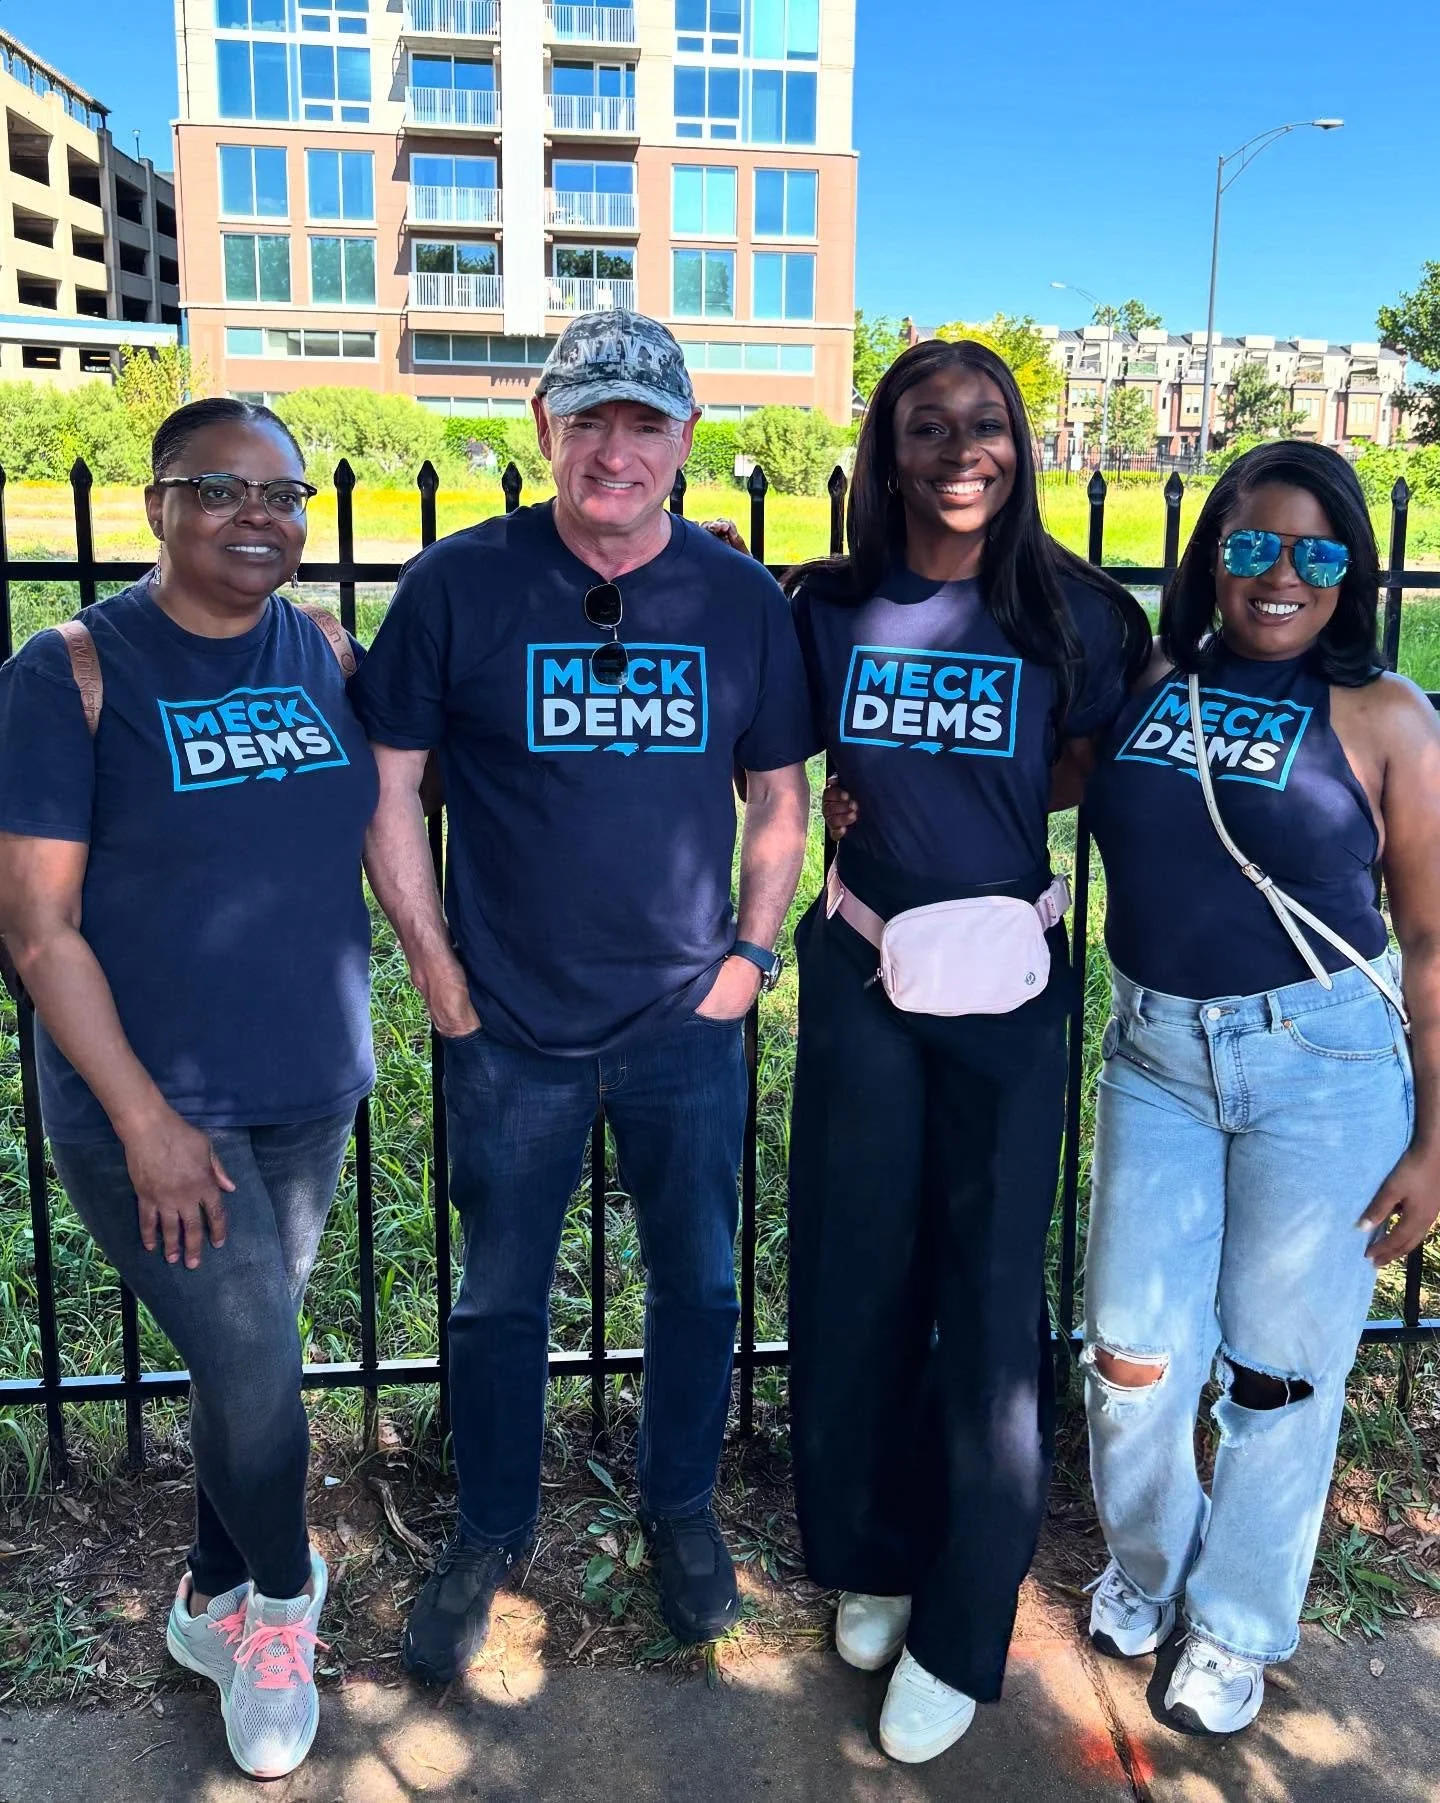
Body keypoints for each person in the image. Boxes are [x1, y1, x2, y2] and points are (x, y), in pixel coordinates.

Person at [350, 310, 813, 1684]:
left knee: (701, 1281)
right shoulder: (457, 586)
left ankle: (679, 1503)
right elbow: (386, 788)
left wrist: (750, 956)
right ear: (547, 428)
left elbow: (778, 794)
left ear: (684, 442)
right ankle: (488, 1529)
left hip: (686, 1019)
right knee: (497, 1298)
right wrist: (437, 973)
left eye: (645, 421)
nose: (616, 447)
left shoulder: (739, 602)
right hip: (509, 1025)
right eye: (589, 416)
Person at [0, 399, 376, 1779]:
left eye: (282, 494)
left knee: (245, 1364)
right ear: (158, 502)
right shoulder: (77, 669)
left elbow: (422, 790)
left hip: (312, 1079)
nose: (260, 516)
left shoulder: (329, 647)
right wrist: (148, 1120)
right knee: (262, 1369)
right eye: (220, 489)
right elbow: (40, 927)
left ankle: (205, 1600)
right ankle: (281, 1602)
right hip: (150, 1104)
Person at [791, 338, 1149, 1763]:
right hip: (864, 969)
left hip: (1010, 980)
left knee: (993, 1300)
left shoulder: (1078, 612)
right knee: (858, 1262)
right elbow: (773, 752)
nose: (958, 447)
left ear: (1022, 442)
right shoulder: (823, 606)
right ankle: (874, 1551)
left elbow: (1080, 761)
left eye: (986, 422)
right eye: (926, 423)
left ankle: (960, 1616)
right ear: (884, 446)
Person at [1079, 440, 1440, 1734]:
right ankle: (1151, 1563)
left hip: (1326, 1066)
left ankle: (1234, 1624)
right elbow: (1035, 779)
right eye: (1249, 547)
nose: (1279, 575)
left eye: (1316, 552)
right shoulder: (1149, 683)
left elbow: (1433, 941)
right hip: (1160, 1055)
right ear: (1211, 558)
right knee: (1131, 1357)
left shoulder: (1387, 715)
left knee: (1281, 1374)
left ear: (1353, 569)